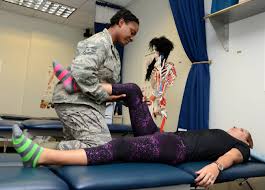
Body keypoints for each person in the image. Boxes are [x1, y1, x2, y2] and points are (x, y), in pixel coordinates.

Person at [12, 83, 253, 188]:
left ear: (245, 140)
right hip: (163, 137)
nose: (236, 126)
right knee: (132, 90)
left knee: (120, 147)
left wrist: (216, 168)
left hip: (174, 147)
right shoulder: (222, 134)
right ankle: (77, 87)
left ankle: (43, 156)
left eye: (242, 129)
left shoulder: (240, 147)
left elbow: (232, 156)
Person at [52, 9, 139, 150]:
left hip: (87, 103)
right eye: (132, 32)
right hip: (77, 102)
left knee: (80, 153)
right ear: (121, 23)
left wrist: (126, 98)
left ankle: (48, 155)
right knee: (101, 147)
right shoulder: (100, 41)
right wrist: (105, 95)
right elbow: (82, 72)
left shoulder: (114, 51)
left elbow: (106, 84)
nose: (132, 37)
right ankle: (42, 149)